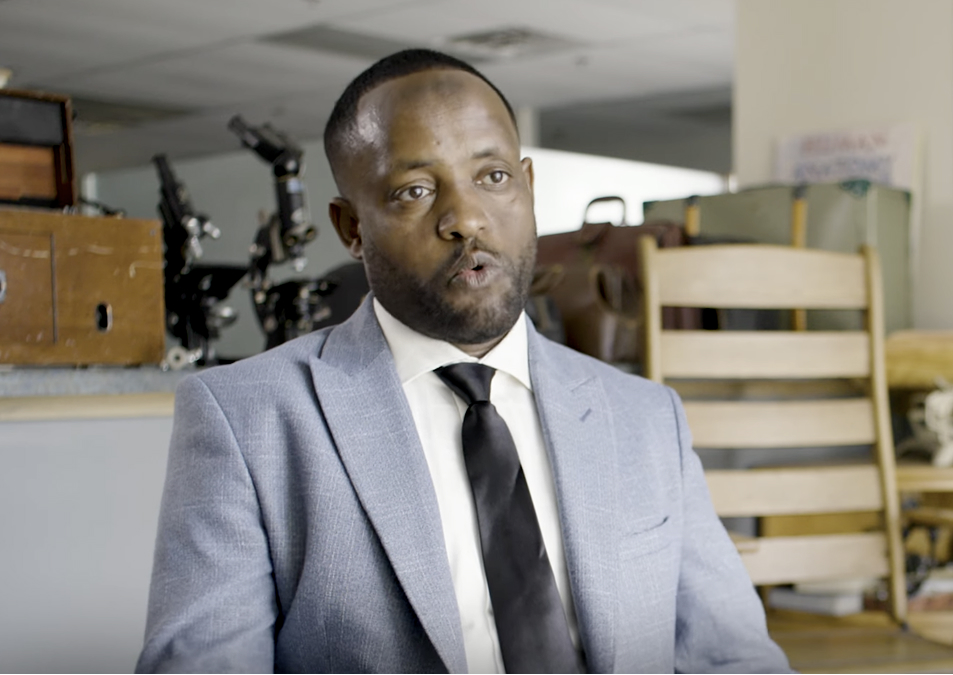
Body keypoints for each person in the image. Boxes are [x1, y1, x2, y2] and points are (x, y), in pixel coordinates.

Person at [136, 48, 789, 674]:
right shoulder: (246, 421)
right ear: (350, 227)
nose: (466, 218)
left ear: (528, 188)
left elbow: (734, 657)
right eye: (415, 191)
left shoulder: (648, 419)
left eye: (493, 177)